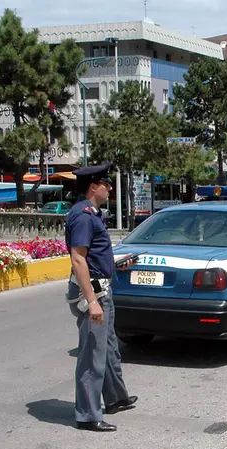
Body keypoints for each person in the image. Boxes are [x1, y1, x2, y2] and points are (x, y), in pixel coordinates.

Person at [65, 162, 138, 432]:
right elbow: (78, 259)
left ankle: (115, 398)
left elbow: (94, 257)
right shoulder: (83, 216)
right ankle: (87, 414)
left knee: (107, 348)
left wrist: (116, 264)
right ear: (93, 187)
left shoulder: (92, 214)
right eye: (106, 184)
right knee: (91, 355)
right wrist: (92, 300)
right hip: (93, 292)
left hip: (102, 286)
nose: (109, 188)